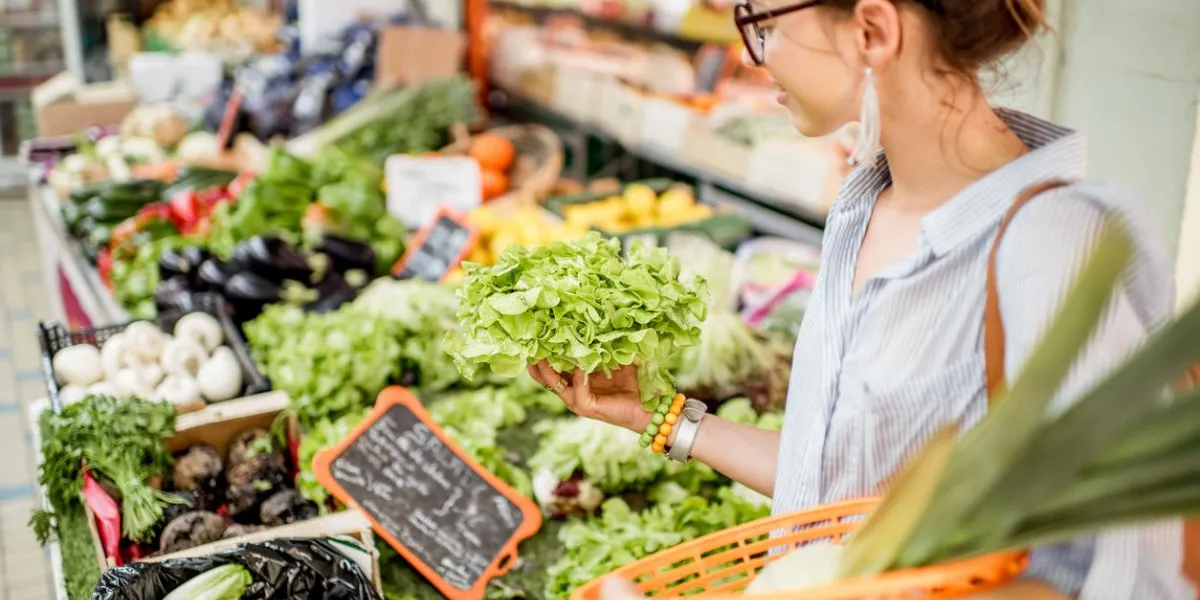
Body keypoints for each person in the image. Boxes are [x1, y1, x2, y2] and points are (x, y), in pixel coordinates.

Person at [528, 0, 1197, 598]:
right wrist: (662, 417)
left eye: (761, 23)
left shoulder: (1059, 243)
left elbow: (1116, 573)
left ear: (872, 29)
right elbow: (833, 493)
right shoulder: (864, 205)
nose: (749, 54)